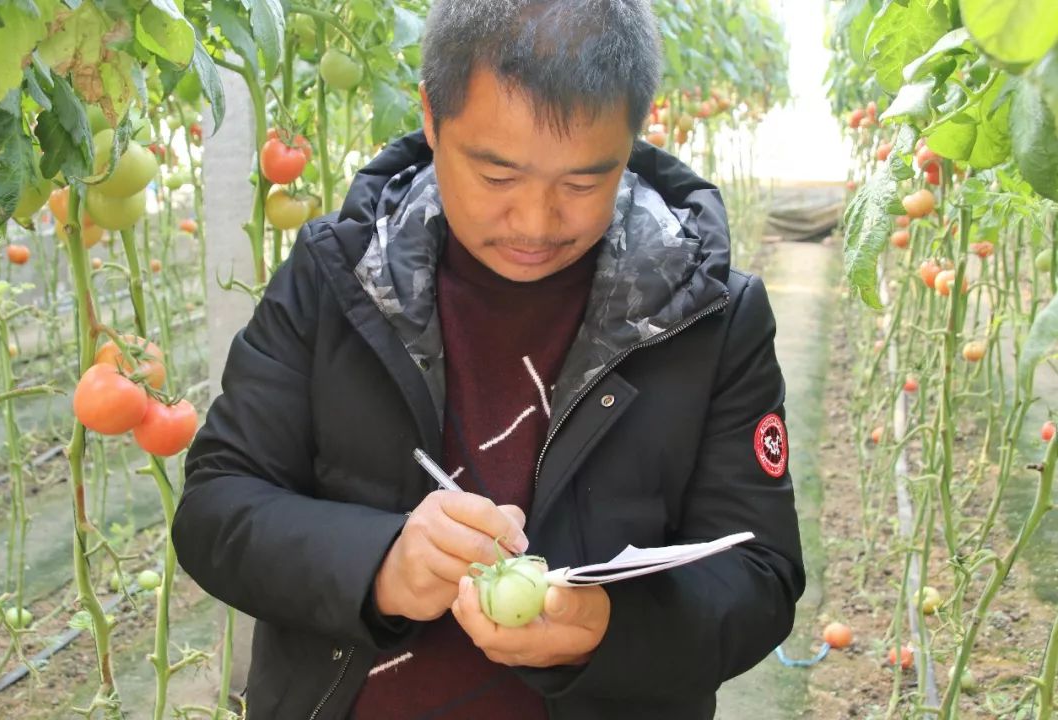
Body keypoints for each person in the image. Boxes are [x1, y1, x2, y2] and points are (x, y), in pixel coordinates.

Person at [171, 0, 805, 717]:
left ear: (633, 138)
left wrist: (606, 629)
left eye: (583, 183)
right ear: (432, 120)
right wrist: (381, 564)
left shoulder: (708, 315)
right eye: (497, 177)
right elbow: (216, 507)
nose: (535, 224)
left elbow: (761, 575)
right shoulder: (338, 277)